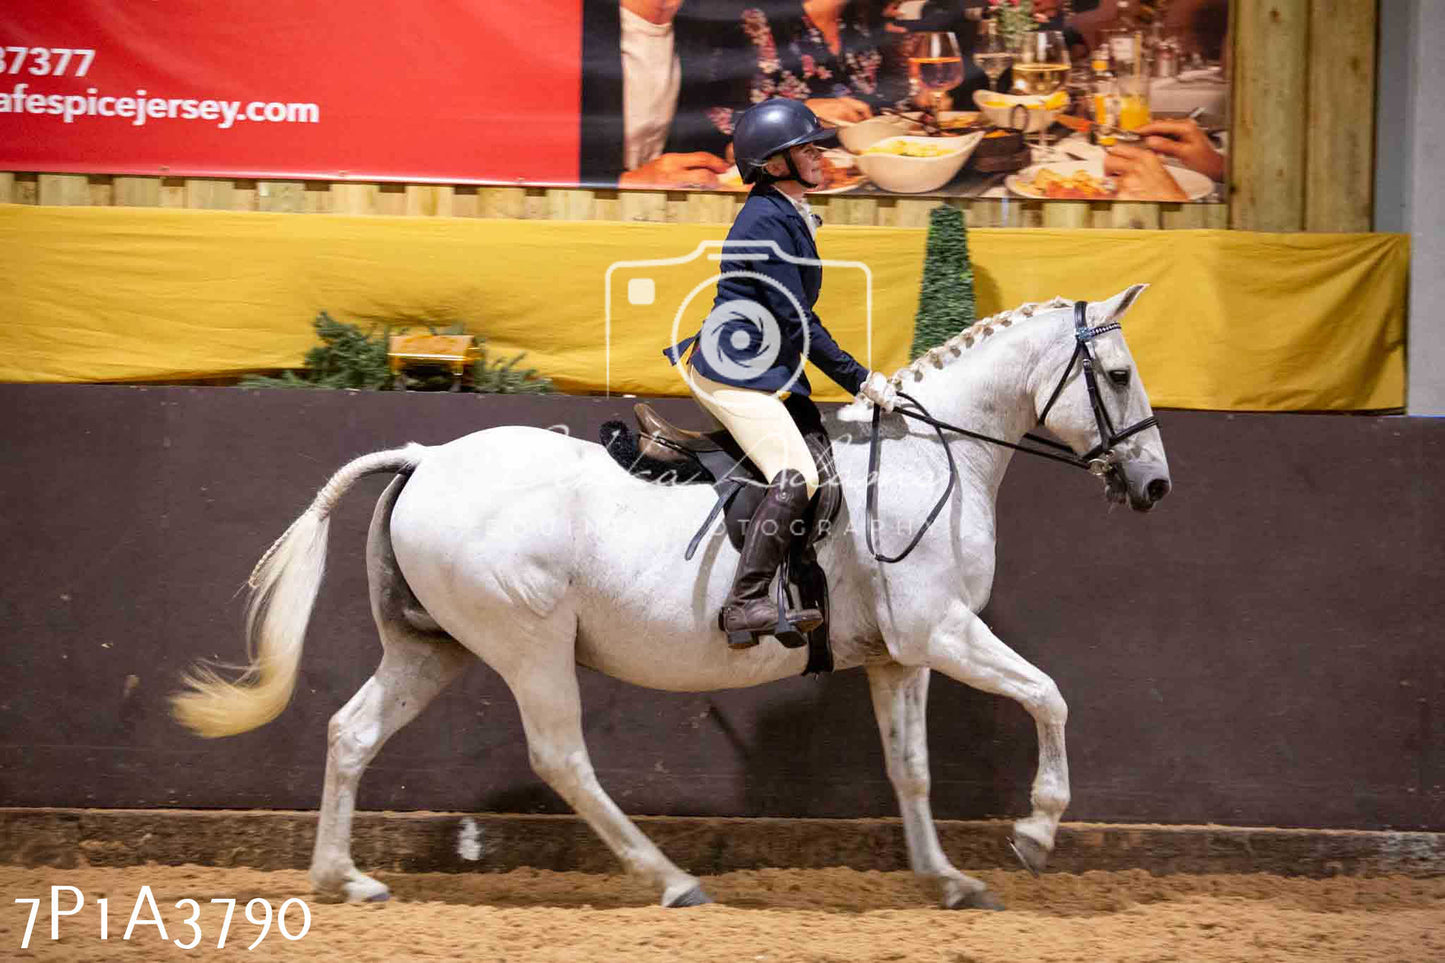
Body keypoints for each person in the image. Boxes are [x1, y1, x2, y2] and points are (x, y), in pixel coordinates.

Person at [660, 99, 897, 649]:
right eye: (807, 148)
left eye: (816, 146)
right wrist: (860, 379)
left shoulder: (783, 211)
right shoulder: (764, 220)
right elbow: (796, 318)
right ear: (773, 164)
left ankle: (800, 585)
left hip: (769, 366)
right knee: (799, 477)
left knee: (821, 457)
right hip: (735, 372)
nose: (820, 155)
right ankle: (744, 602)